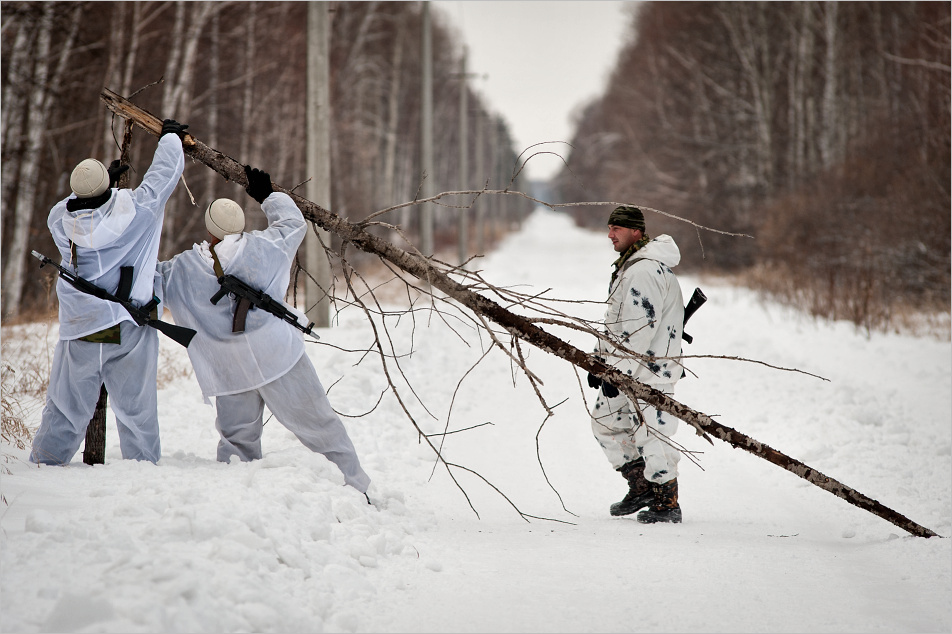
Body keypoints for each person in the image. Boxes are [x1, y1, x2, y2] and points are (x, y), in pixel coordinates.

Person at [155, 165, 371, 496]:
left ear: (208, 229)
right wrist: (268, 196)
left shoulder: (181, 270)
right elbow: (293, 223)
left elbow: (149, 280)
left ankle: (239, 501)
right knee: (320, 426)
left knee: (237, 444)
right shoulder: (267, 248)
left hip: (227, 370)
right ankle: (356, 486)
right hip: (278, 358)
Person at [31, 119, 189, 465]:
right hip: (129, 327)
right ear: (107, 189)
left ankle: (45, 465)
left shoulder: (58, 220)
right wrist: (171, 139)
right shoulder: (139, 212)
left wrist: (103, 188)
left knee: (65, 410)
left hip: (82, 327)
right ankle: (142, 470)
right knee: (138, 413)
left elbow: (79, 208)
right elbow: (163, 176)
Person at [588, 204, 685, 523]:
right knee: (606, 422)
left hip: (650, 372)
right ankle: (642, 486)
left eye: (617, 228)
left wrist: (617, 373)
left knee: (652, 434)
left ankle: (666, 502)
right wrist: (599, 360)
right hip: (626, 367)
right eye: (609, 227)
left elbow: (638, 330)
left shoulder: (644, 270)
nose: (610, 233)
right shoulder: (631, 267)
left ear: (636, 232)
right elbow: (617, 323)